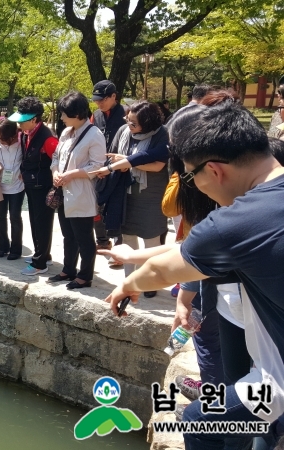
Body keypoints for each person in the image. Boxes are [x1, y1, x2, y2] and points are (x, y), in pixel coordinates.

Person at [105, 100, 284, 450]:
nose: (193, 186)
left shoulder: (242, 218)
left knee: (201, 421)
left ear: (214, 171)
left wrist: (127, 284)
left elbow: (163, 268)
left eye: (190, 176)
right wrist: (133, 255)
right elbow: (192, 249)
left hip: (277, 376)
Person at [91, 101, 169, 296]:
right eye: (128, 120)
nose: (129, 126)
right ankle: (130, 280)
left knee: (151, 238)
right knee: (127, 236)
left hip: (151, 194)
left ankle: (150, 281)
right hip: (124, 192)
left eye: (134, 123)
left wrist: (126, 163)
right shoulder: (123, 131)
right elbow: (113, 156)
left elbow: (158, 165)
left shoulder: (162, 134)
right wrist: (118, 164)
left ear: (149, 123)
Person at [48, 91, 106, 290]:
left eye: (64, 114)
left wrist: (71, 174)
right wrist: (55, 172)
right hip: (64, 190)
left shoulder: (94, 135)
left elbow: (98, 166)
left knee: (84, 237)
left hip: (80, 192)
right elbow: (56, 157)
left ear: (78, 113)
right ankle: (68, 269)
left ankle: (85, 275)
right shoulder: (66, 132)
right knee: (68, 234)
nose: (61, 118)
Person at [10, 97, 59, 275]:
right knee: (35, 221)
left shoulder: (48, 138)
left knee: (42, 222)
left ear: (34, 119)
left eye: (23, 121)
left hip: (43, 186)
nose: (20, 125)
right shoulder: (26, 134)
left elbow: (58, 162)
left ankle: (40, 263)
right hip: (31, 185)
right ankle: (44, 255)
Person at [90, 80, 125, 252]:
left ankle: (119, 248)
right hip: (99, 167)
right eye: (96, 100)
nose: (99, 103)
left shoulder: (127, 114)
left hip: (122, 168)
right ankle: (102, 241)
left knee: (117, 207)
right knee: (96, 205)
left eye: (102, 99)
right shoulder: (95, 115)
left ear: (113, 96)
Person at [0, 120, 25, 259]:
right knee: (0, 217)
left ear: (12, 137)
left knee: (15, 217)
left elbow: (29, 158)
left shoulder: (22, 141)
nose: (1, 141)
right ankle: (2, 246)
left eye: (3, 139)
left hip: (18, 185)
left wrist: (24, 170)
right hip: (0, 185)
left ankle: (16, 250)